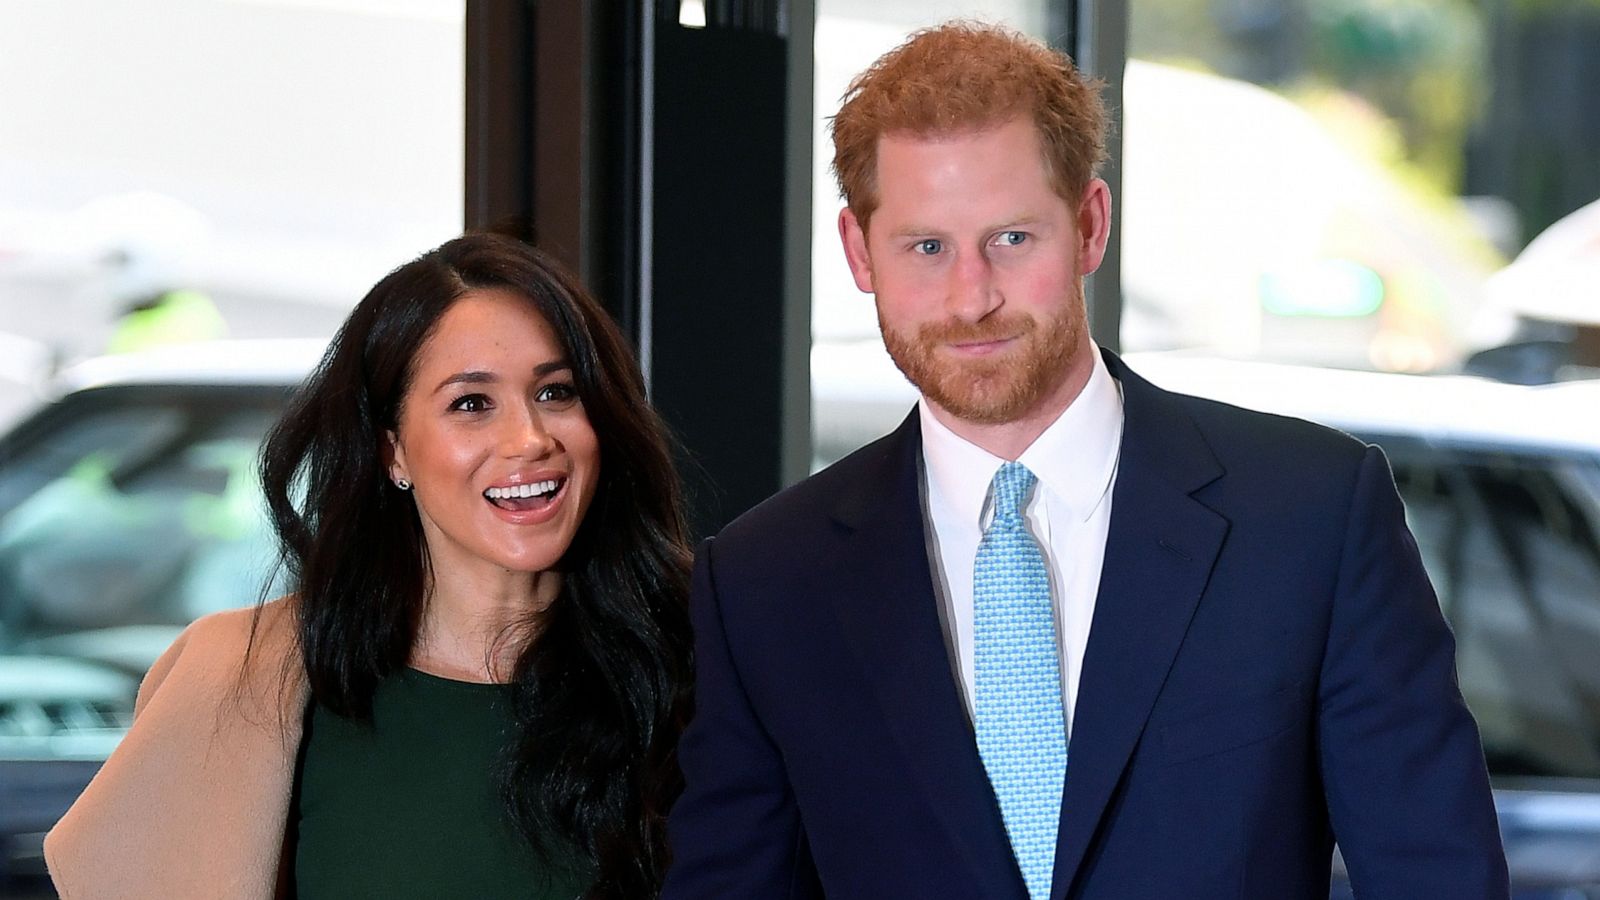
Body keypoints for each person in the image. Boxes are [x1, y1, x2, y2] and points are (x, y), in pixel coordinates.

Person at [663, 21, 1508, 899]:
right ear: (856, 252)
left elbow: (1437, 877)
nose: (971, 297)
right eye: (926, 247)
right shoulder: (764, 582)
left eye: (1012, 239)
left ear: (1090, 225)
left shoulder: (1311, 517)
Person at [45, 233, 694, 899]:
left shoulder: (696, 666)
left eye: (557, 392)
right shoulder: (245, 678)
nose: (529, 439)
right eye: (471, 404)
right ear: (393, 453)